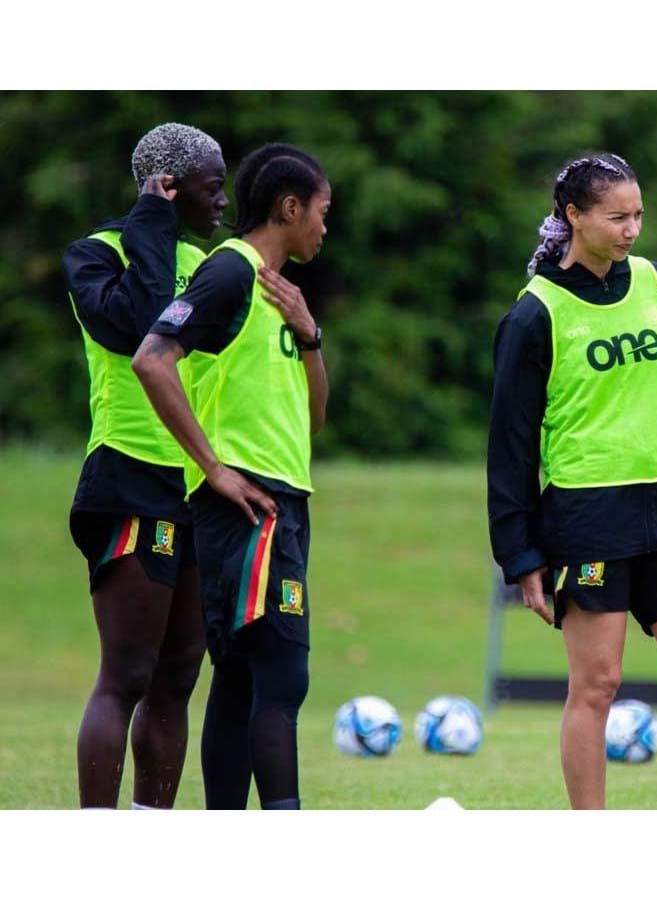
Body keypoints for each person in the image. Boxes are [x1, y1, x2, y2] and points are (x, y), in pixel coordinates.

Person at [487, 152, 657, 809]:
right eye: (617, 216)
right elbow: (510, 446)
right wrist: (519, 554)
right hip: (589, 522)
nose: (632, 229)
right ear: (573, 216)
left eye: (638, 216)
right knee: (596, 686)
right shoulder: (533, 314)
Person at [132, 143, 330, 810]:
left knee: (244, 676)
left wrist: (309, 334)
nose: (325, 228)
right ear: (291, 206)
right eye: (322, 212)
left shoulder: (280, 297)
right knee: (280, 670)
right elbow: (153, 360)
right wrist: (212, 468)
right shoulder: (230, 272)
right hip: (247, 502)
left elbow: (314, 420)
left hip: (281, 499)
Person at [65, 122, 227, 809]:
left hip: (199, 484)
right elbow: (139, 321)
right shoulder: (96, 254)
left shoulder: (212, 263)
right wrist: (151, 224)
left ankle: (149, 838)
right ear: (168, 187)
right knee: (127, 674)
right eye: (212, 187)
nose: (223, 202)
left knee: (176, 679)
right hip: (130, 476)